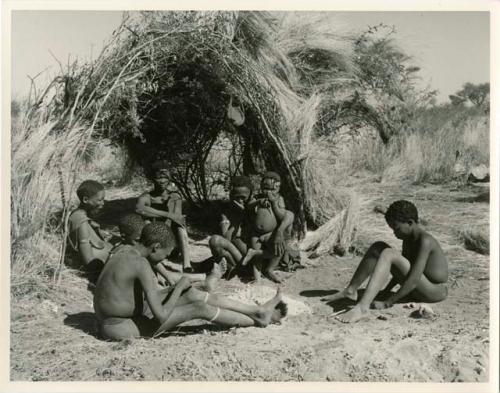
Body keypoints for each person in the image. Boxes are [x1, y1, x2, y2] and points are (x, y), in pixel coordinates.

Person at [93, 222, 288, 340]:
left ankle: (257, 311)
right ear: (155, 247)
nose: (164, 260)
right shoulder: (141, 264)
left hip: (124, 316)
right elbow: (160, 316)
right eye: (165, 254)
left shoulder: (125, 251)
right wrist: (177, 287)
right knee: (198, 308)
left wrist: (181, 288)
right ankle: (258, 321)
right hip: (118, 327)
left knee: (193, 293)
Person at [322, 200, 448, 323]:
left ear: (410, 223)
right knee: (378, 247)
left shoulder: (425, 241)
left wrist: (389, 302)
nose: (394, 233)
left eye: (396, 229)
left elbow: (414, 279)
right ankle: (350, 290)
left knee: (389, 253)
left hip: (435, 291)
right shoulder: (408, 239)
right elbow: (403, 270)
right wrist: (386, 291)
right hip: (419, 288)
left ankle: (362, 308)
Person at [116, 213, 225, 291]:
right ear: (123, 236)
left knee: (170, 276)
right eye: (137, 239)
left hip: (151, 276)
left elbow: (154, 262)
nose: (141, 243)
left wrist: (167, 276)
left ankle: (204, 276)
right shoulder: (123, 253)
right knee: (162, 289)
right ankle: (203, 286)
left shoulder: (139, 248)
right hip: (142, 285)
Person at [135, 164, 192, 272]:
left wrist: (155, 213)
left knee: (180, 227)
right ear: (153, 179)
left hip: (171, 244)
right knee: (146, 222)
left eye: (165, 177)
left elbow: (177, 218)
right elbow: (139, 209)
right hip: (154, 244)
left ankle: (187, 264)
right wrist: (167, 214)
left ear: (169, 179)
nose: (162, 181)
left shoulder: (175, 196)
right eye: (159, 177)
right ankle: (154, 263)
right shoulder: (147, 196)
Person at [241, 172, 294, 283]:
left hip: (271, 233)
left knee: (278, 250)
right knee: (257, 260)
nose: (268, 192)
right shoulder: (257, 198)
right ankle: (257, 279)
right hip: (256, 233)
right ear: (261, 187)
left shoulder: (279, 199)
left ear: (278, 188)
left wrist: (274, 204)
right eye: (265, 188)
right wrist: (258, 202)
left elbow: (282, 215)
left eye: (272, 190)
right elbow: (248, 207)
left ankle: (270, 269)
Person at [68, 180, 113, 283]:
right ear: (85, 199)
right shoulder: (81, 221)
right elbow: (87, 256)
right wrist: (98, 275)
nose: (103, 203)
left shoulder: (80, 215)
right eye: (99, 200)